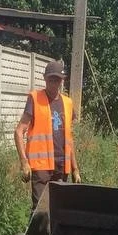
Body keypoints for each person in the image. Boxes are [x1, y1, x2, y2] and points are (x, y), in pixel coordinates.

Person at [14, 58, 80, 212]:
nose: (55, 83)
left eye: (58, 80)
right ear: (45, 79)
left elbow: (69, 139)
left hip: (62, 166)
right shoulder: (35, 99)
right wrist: (24, 162)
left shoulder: (68, 103)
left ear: (62, 81)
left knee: (59, 211)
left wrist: (75, 168)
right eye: (51, 79)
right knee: (41, 211)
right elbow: (18, 132)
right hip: (41, 167)